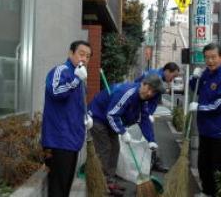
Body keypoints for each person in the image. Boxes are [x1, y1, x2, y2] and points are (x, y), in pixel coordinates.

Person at [88, 74, 165, 196]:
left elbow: (143, 119)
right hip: (98, 118)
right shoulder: (127, 93)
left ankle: (110, 181)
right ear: (143, 84)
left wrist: (151, 139)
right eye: (149, 88)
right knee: (105, 149)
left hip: (109, 120)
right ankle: (101, 184)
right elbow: (111, 115)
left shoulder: (143, 100)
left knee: (115, 149)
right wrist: (123, 132)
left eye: (154, 92)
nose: (150, 93)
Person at [41, 40, 93, 197]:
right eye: (81, 54)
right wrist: (76, 80)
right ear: (71, 53)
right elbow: (56, 92)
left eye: (88, 56)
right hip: (59, 140)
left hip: (72, 140)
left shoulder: (81, 78)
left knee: (64, 188)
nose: (84, 59)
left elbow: (76, 105)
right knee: (58, 189)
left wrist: (86, 115)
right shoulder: (61, 70)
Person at [189, 43, 221, 197]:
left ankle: (218, 194)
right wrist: (194, 77)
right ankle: (207, 193)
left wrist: (199, 108)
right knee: (204, 166)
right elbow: (195, 88)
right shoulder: (206, 73)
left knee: (218, 168)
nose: (210, 61)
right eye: (207, 58)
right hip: (206, 130)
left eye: (213, 57)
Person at [135, 62, 180, 173]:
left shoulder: (156, 75)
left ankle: (152, 161)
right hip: (140, 111)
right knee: (148, 137)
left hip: (143, 111)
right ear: (167, 71)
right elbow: (144, 93)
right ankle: (150, 163)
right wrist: (145, 112)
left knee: (148, 138)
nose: (172, 79)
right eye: (173, 76)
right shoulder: (156, 77)